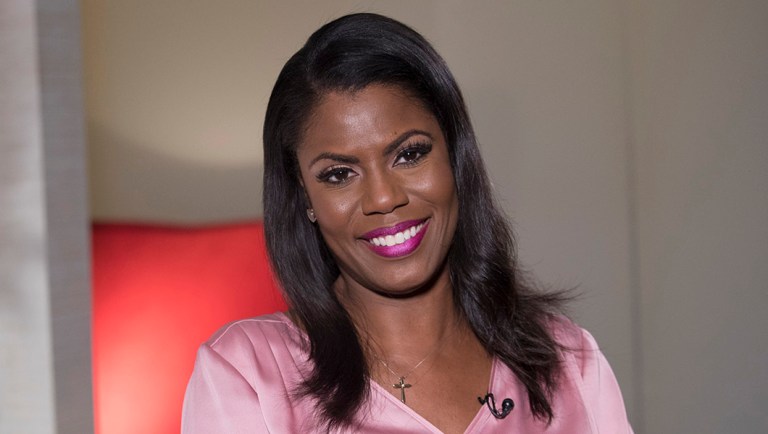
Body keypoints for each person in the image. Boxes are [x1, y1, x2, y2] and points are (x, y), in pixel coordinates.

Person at [182, 13, 633, 434]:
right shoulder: (248, 374)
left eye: (409, 154)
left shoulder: (568, 361)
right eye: (339, 175)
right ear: (304, 196)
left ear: (456, 157)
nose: (384, 198)